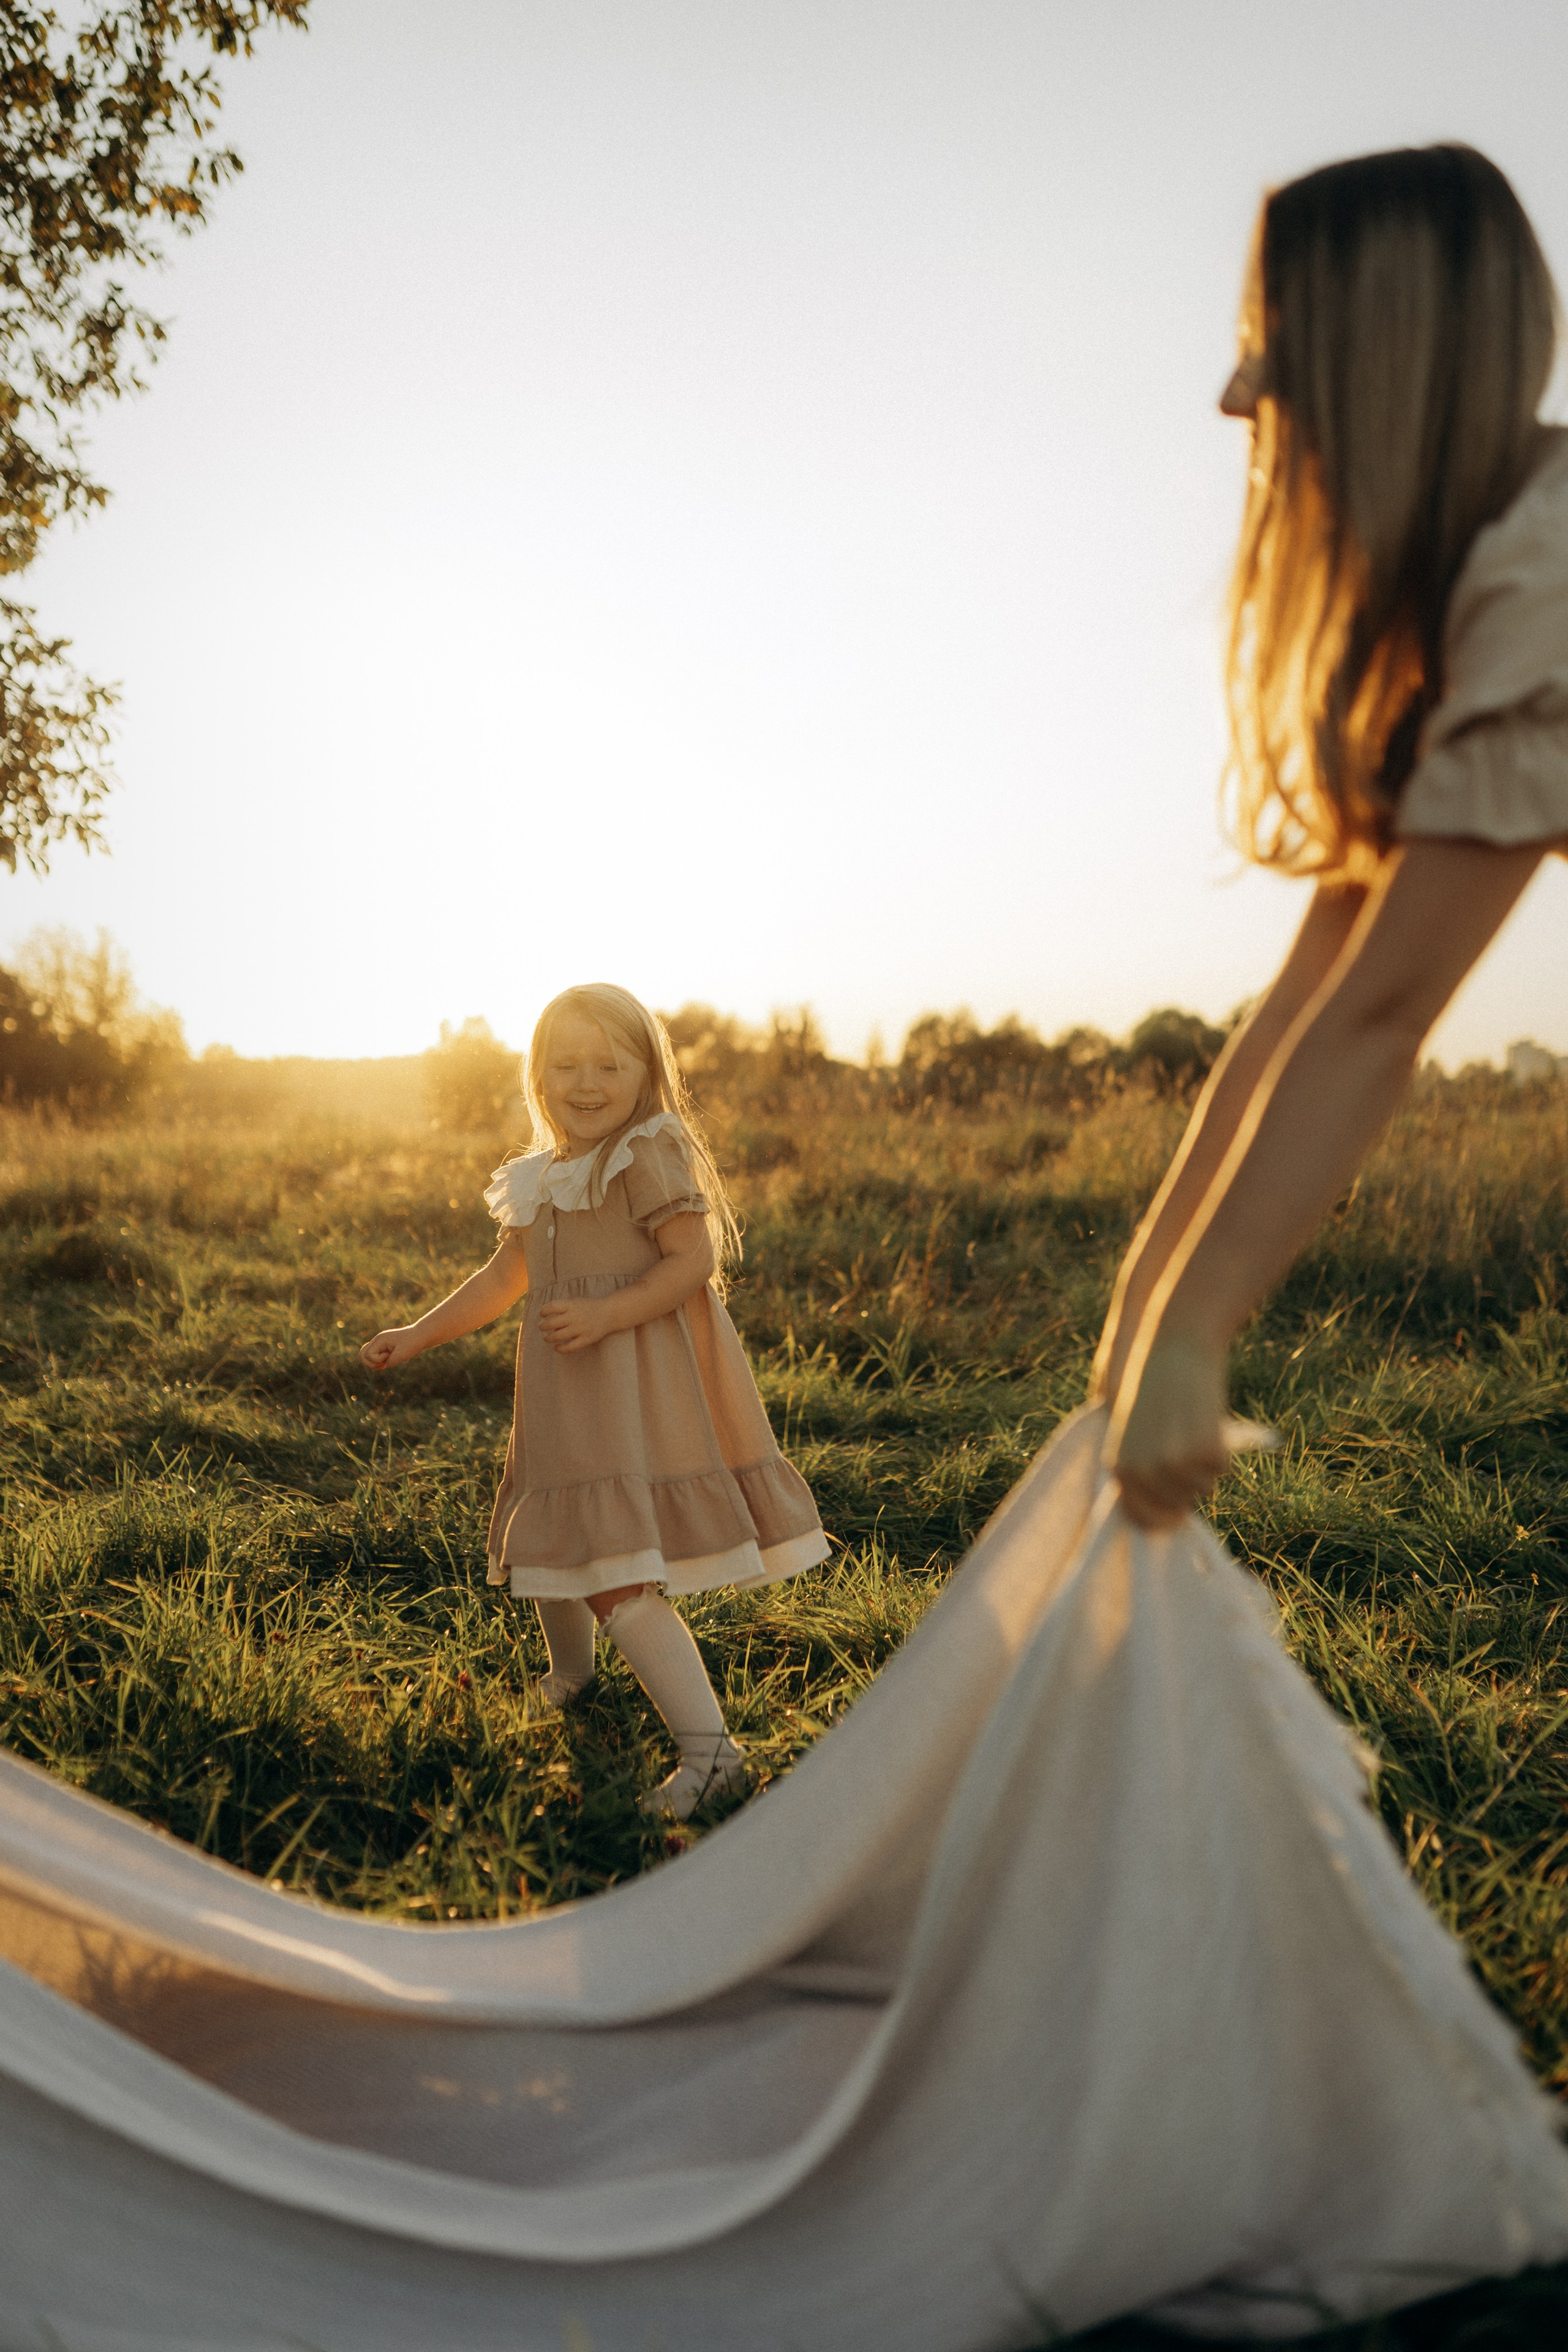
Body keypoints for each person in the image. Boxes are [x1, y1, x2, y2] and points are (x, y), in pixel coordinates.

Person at [1095, 141, 1567, 1529]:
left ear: (1383, 352)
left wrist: (1195, 1337)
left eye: (1268, 339)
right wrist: (1142, 1319)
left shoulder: (1542, 567)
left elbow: (1381, 1015)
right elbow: (1306, 998)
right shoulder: (1470, 585)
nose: (1233, 392)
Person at [360, 982, 827, 1819]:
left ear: (646, 1071)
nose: (585, 1082)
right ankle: (573, 1678)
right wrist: (418, 1332)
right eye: (564, 1064)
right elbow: (506, 1278)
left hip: (632, 1388)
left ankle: (712, 1754)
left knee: (611, 1570)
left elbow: (692, 1258)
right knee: (556, 1532)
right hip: (565, 1395)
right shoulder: (546, 1174)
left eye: (608, 1064)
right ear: (536, 1075)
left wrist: (610, 1311)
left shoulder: (645, 1151)